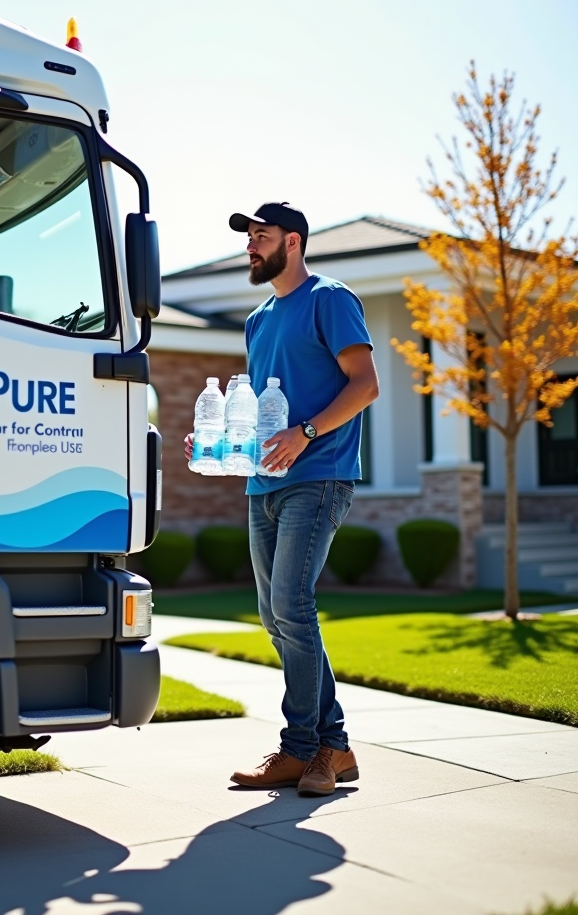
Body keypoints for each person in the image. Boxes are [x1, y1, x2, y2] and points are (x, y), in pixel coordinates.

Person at [184, 202, 378, 796]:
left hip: (320, 477)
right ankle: (333, 747)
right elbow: (263, 408)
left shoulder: (330, 298)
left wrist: (307, 433)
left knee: (292, 606)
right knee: (277, 617)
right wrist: (218, 441)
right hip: (262, 483)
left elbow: (365, 385)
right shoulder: (259, 318)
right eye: (247, 238)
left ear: (292, 242)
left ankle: (301, 749)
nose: (250, 247)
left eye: (260, 237)